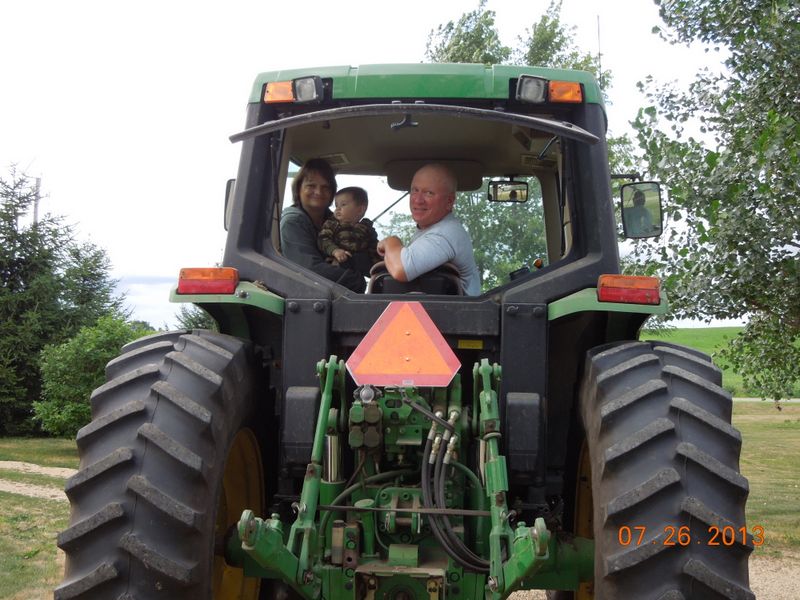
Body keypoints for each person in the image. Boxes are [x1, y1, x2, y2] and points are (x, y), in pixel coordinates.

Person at [377, 163, 481, 295]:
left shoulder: (445, 232)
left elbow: (400, 269)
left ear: (449, 202)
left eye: (429, 193)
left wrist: (391, 241)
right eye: (415, 190)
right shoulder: (431, 229)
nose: (418, 200)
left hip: (455, 313)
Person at [280, 158, 366, 292]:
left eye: (325, 187)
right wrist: (356, 280)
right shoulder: (292, 222)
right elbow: (309, 269)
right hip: (306, 298)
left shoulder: (335, 221)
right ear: (298, 188)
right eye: (311, 186)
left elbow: (360, 251)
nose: (319, 192)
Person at [317, 186, 381, 277]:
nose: (337, 209)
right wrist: (335, 250)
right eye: (336, 205)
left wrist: (378, 267)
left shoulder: (367, 229)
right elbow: (323, 239)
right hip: (337, 266)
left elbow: (374, 249)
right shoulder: (331, 224)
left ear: (360, 210)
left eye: (343, 205)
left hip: (359, 270)